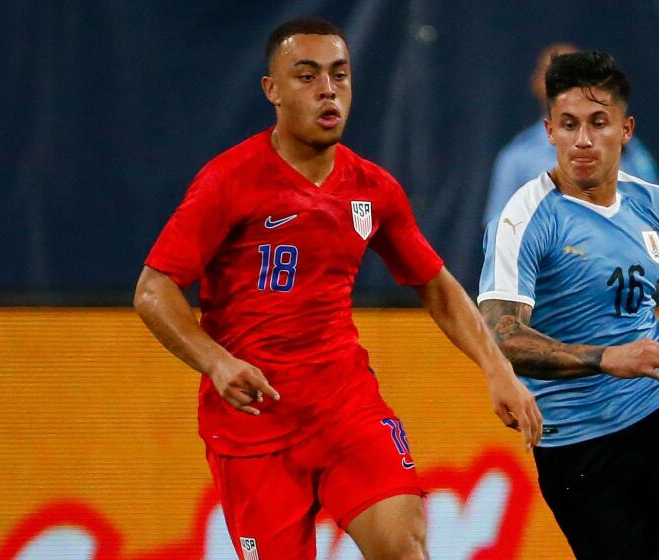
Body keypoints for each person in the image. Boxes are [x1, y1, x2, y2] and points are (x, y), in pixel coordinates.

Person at [134, 16, 541, 560]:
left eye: (339, 75)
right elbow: (153, 290)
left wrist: (498, 369)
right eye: (307, 76)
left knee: (403, 543)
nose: (328, 89)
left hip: (344, 407)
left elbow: (437, 286)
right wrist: (216, 361)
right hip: (252, 428)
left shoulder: (373, 189)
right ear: (272, 90)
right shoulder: (229, 181)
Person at [478, 50, 659, 559]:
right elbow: (504, 335)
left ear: (625, 129)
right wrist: (607, 357)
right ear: (549, 129)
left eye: (599, 123)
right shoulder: (524, 219)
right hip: (579, 448)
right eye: (569, 124)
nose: (582, 140)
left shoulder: (656, 205)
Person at [482, 43, 659, 226]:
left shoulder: (626, 148)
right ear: (535, 83)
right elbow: (499, 229)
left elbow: (655, 214)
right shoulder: (517, 158)